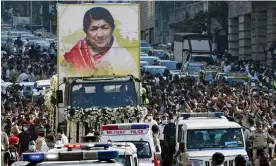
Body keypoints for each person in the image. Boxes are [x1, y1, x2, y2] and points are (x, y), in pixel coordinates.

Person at [62, 7, 138, 77]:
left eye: (104, 28)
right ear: (86, 32)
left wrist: (109, 73)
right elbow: (65, 79)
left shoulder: (124, 57)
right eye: (94, 29)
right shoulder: (74, 54)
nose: (100, 34)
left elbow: (130, 85)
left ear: (112, 29)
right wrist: (92, 72)